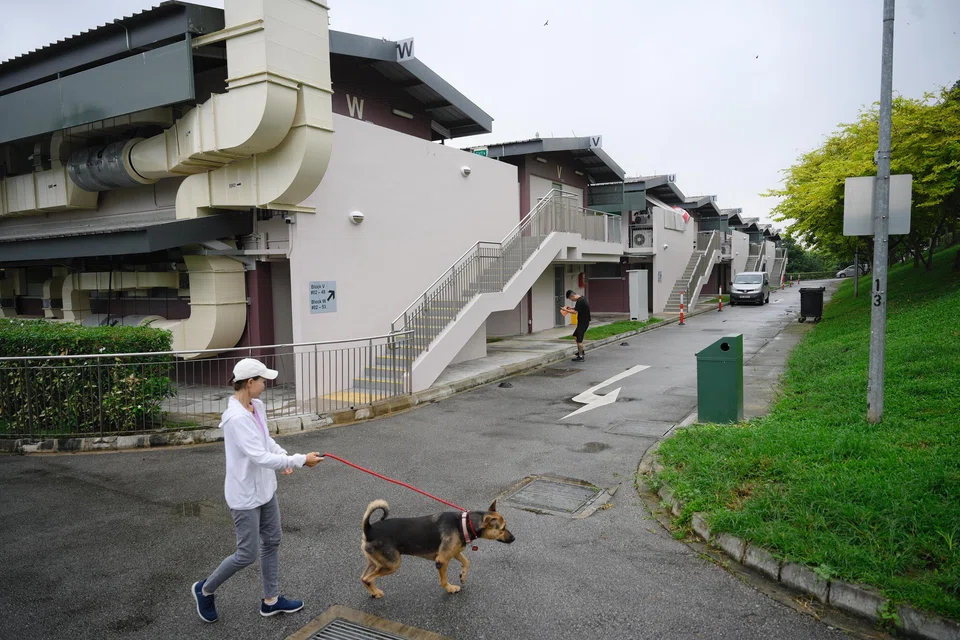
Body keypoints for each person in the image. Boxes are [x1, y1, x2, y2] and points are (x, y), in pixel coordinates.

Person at [192, 358, 324, 623]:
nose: (266, 384)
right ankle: (205, 589)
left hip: (265, 489)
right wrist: (298, 460)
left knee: (272, 540)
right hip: (244, 495)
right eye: (262, 380)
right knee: (247, 553)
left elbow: (265, 442)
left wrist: (284, 456)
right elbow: (258, 457)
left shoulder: (257, 406)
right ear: (249, 383)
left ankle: (271, 601)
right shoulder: (235, 418)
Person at [562, 290, 591, 362]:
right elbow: (577, 309)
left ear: (572, 296)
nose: (571, 300)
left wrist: (565, 310)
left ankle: (581, 356)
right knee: (575, 335)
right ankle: (581, 351)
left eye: (570, 298)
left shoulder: (580, 301)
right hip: (583, 322)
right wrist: (570, 308)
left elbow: (575, 312)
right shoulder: (582, 299)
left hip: (583, 323)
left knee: (579, 340)